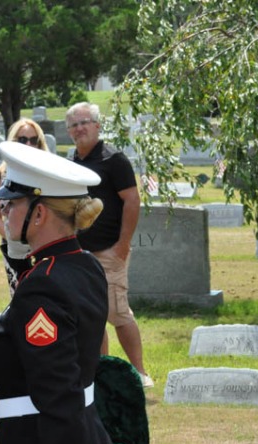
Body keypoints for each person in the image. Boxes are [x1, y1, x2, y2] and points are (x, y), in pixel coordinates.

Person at [0, 141, 125, 444]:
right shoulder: (82, 265)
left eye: (11, 204)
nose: (3, 211)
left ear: (40, 213)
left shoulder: (43, 286)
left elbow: (59, 398)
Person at [66, 102, 152, 387]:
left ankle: (140, 374)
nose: (80, 128)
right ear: (69, 131)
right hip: (79, 253)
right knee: (91, 318)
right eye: (74, 125)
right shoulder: (71, 162)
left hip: (109, 250)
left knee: (117, 313)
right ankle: (99, 374)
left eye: (85, 122)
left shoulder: (114, 159)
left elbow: (132, 200)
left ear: (97, 125)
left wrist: (123, 245)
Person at [0, 118, 51, 296]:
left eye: (34, 140)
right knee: (20, 298)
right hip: (14, 248)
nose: (29, 144)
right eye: (23, 139)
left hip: (44, 246)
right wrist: (13, 237)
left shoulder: (48, 172)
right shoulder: (1, 175)